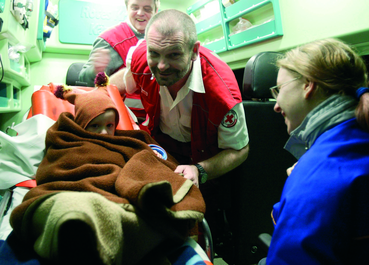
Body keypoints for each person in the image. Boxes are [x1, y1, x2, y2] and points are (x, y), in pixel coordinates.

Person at [9, 73, 206, 265]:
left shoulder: (128, 142)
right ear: (82, 123)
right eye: (95, 126)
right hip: (72, 194)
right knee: (65, 207)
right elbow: (50, 174)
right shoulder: (65, 140)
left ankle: (93, 235)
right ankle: (78, 228)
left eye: (109, 125)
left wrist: (146, 170)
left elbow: (150, 163)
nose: (104, 132)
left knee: (142, 218)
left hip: (115, 201)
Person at [123, 9, 249, 237]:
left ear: (194, 51)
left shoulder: (222, 94)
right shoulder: (140, 58)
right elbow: (127, 85)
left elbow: (240, 150)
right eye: (155, 54)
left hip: (204, 158)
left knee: (195, 224)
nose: (161, 66)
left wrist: (200, 170)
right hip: (161, 147)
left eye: (173, 55)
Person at [259, 38, 369, 265]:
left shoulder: (315, 176)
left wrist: (304, 179)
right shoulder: (368, 134)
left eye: (279, 89)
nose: (275, 105)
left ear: (308, 85)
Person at [79, 0, 160, 121]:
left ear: (156, 11)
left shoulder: (163, 39)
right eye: (135, 7)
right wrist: (94, 71)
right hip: (121, 120)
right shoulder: (110, 39)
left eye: (147, 9)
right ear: (127, 8)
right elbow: (85, 81)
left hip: (157, 119)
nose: (140, 13)